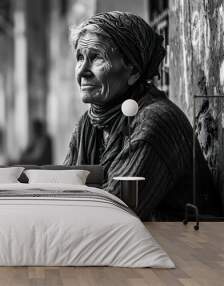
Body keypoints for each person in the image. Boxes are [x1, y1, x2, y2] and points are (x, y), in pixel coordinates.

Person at [64, 11, 221, 219]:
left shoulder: (155, 121)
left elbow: (115, 214)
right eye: (80, 58)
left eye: (96, 58)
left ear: (133, 71)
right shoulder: (90, 123)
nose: (82, 71)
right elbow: (63, 191)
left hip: (181, 245)